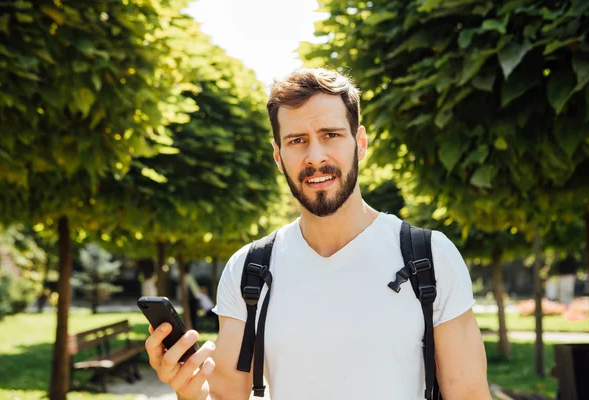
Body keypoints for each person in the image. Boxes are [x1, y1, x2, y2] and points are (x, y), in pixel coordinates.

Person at [144, 68, 492, 400]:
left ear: (360, 142)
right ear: (279, 156)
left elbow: (469, 394)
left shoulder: (430, 257)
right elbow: (225, 395)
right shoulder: (248, 270)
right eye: (297, 140)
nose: (315, 156)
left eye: (330, 135)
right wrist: (188, 392)